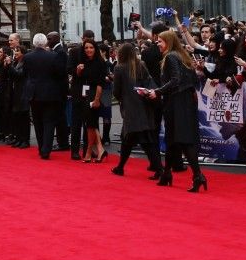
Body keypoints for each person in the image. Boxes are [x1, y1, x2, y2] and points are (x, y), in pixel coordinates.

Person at [146, 30, 207, 192]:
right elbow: (193, 80)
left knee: (182, 139)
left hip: (177, 102)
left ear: (169, 41)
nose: (157, 43)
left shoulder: (171, 57)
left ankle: (198, 175)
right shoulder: (182, 56)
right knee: (172, 139)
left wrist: (157, 92)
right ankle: (167, 174)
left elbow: (176, 80)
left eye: (160, 41)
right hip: (183, 101)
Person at [110, 43, 163, 178]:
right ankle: (121, 167)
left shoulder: (119, 68)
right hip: (144, 106)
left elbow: (116, 91)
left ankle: (159, 170)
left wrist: (124, 98)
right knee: (131, 138)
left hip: (131, 109)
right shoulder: (141, 65)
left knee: (141, 140)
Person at [22, 33, 67, 159]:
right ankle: (46, 149)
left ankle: (41, 146)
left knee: (37, 122)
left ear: (34, 43)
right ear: (45, 43)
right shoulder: (53, 56)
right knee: (49, 122)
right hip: (50, 94)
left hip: (34, 94)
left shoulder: (27, 57)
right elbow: (60, 74)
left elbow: (25, 74)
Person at [73, 40, 107, 162]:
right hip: (85, 93)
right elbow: (80, 78)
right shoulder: (84, 61)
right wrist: (78, 70)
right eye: (86, 48)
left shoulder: (100, 62)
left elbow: (100, 83)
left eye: (91, 47)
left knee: (91, 124)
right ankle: (99, 149)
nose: (88, 50)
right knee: (90, 123)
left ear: (95, 48)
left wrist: (97, 99)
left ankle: (88, 151)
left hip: (94, 94)